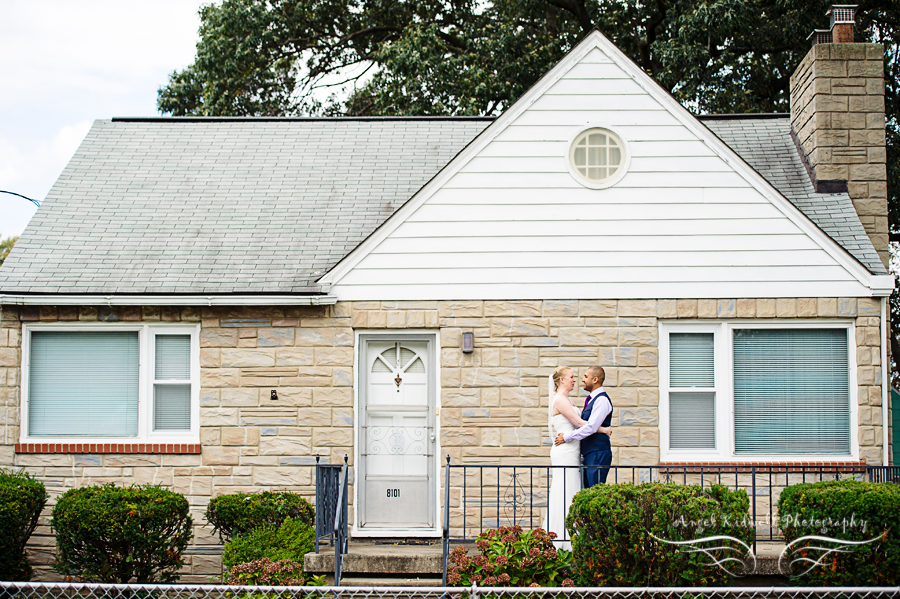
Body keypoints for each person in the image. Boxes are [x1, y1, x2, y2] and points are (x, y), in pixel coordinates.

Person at [543, 365, 611, 549]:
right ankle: (563, 541)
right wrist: (603, 429)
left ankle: (573, 537)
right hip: (565, 451)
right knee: (565, 490)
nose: (576, 379)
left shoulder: (568, 400)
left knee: (573, 490)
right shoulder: (561, 400)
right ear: (562, 380)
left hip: (573, 450)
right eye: (572, 376)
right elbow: (581, 423)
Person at [555, 366, 613, 487]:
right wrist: (603, 430)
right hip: (590, 453)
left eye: (586, 376)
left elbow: (591, 427)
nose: (582, 380)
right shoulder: (592, 400)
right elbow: (587, 424)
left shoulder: (601, 400)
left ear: (595, 380)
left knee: (594, 491)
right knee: (587, 491)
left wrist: (567, 437)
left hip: (597, 453)